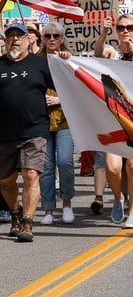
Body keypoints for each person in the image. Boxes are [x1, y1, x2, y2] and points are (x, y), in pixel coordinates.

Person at [94, 14, 133, 228]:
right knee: (112, 167)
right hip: (114, 117)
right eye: (121, 27)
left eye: (129, 27)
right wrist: (103, 32)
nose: (125, 31)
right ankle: (118, 198)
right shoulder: (112, 52)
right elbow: (98, 53)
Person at [0, 21, 56, 243]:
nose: (15, 39)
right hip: (3, 133)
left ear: (29, 39)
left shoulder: (41, 65)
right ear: (5, 41)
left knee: (31, 174)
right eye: (10, 36)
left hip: (35, 129)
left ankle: (27, 223)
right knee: (5, 182)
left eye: (20, 35)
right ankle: (15, 213)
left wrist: (66, 61)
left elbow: (66, 86)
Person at [39, 23, 77, 226]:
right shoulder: (33, 62)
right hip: (41, 121)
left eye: (56, 35)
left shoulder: (69, 61)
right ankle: (48, 209)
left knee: (65, 161)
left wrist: (59, 100)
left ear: (62, 39)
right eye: (48, 35)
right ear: (42, 38)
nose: (52, 39)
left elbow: (79, 89)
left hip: (65, 120)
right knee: (45, 167)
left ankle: (67, 204)